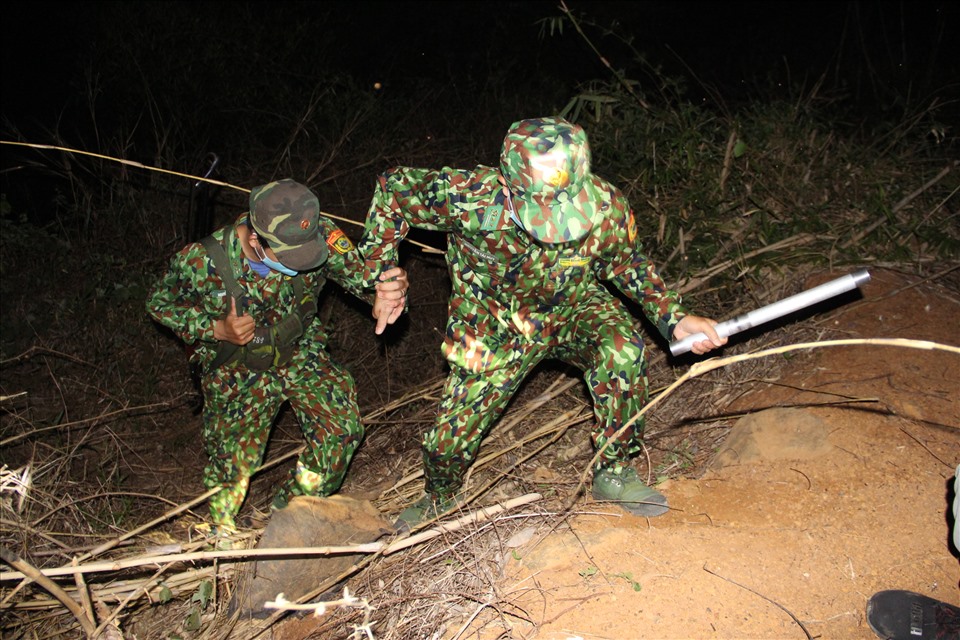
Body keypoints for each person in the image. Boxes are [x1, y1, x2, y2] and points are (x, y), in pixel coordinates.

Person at [357, 116, 726, 530]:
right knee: (448, 443)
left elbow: (626, 263)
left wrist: (673, 317)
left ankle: (615, 472)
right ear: (509, 184)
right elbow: (392, 190)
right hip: (493, 324)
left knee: (623, 351)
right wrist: (382, 275)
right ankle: (440, 498)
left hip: (574, 306)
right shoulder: (468, 196)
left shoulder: (605, 204)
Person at [147, 179, 408, 544]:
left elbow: (366, 281)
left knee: (341, 431)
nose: (302, 264)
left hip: (300, 351)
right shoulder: (202, 260)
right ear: (256, 238)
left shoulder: (318, 234)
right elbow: (160, 304)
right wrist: (215, 328)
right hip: (238, 370)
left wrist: (390, 292)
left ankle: (289, 521)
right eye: (289, 257)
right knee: (232, 470)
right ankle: (221, 540)